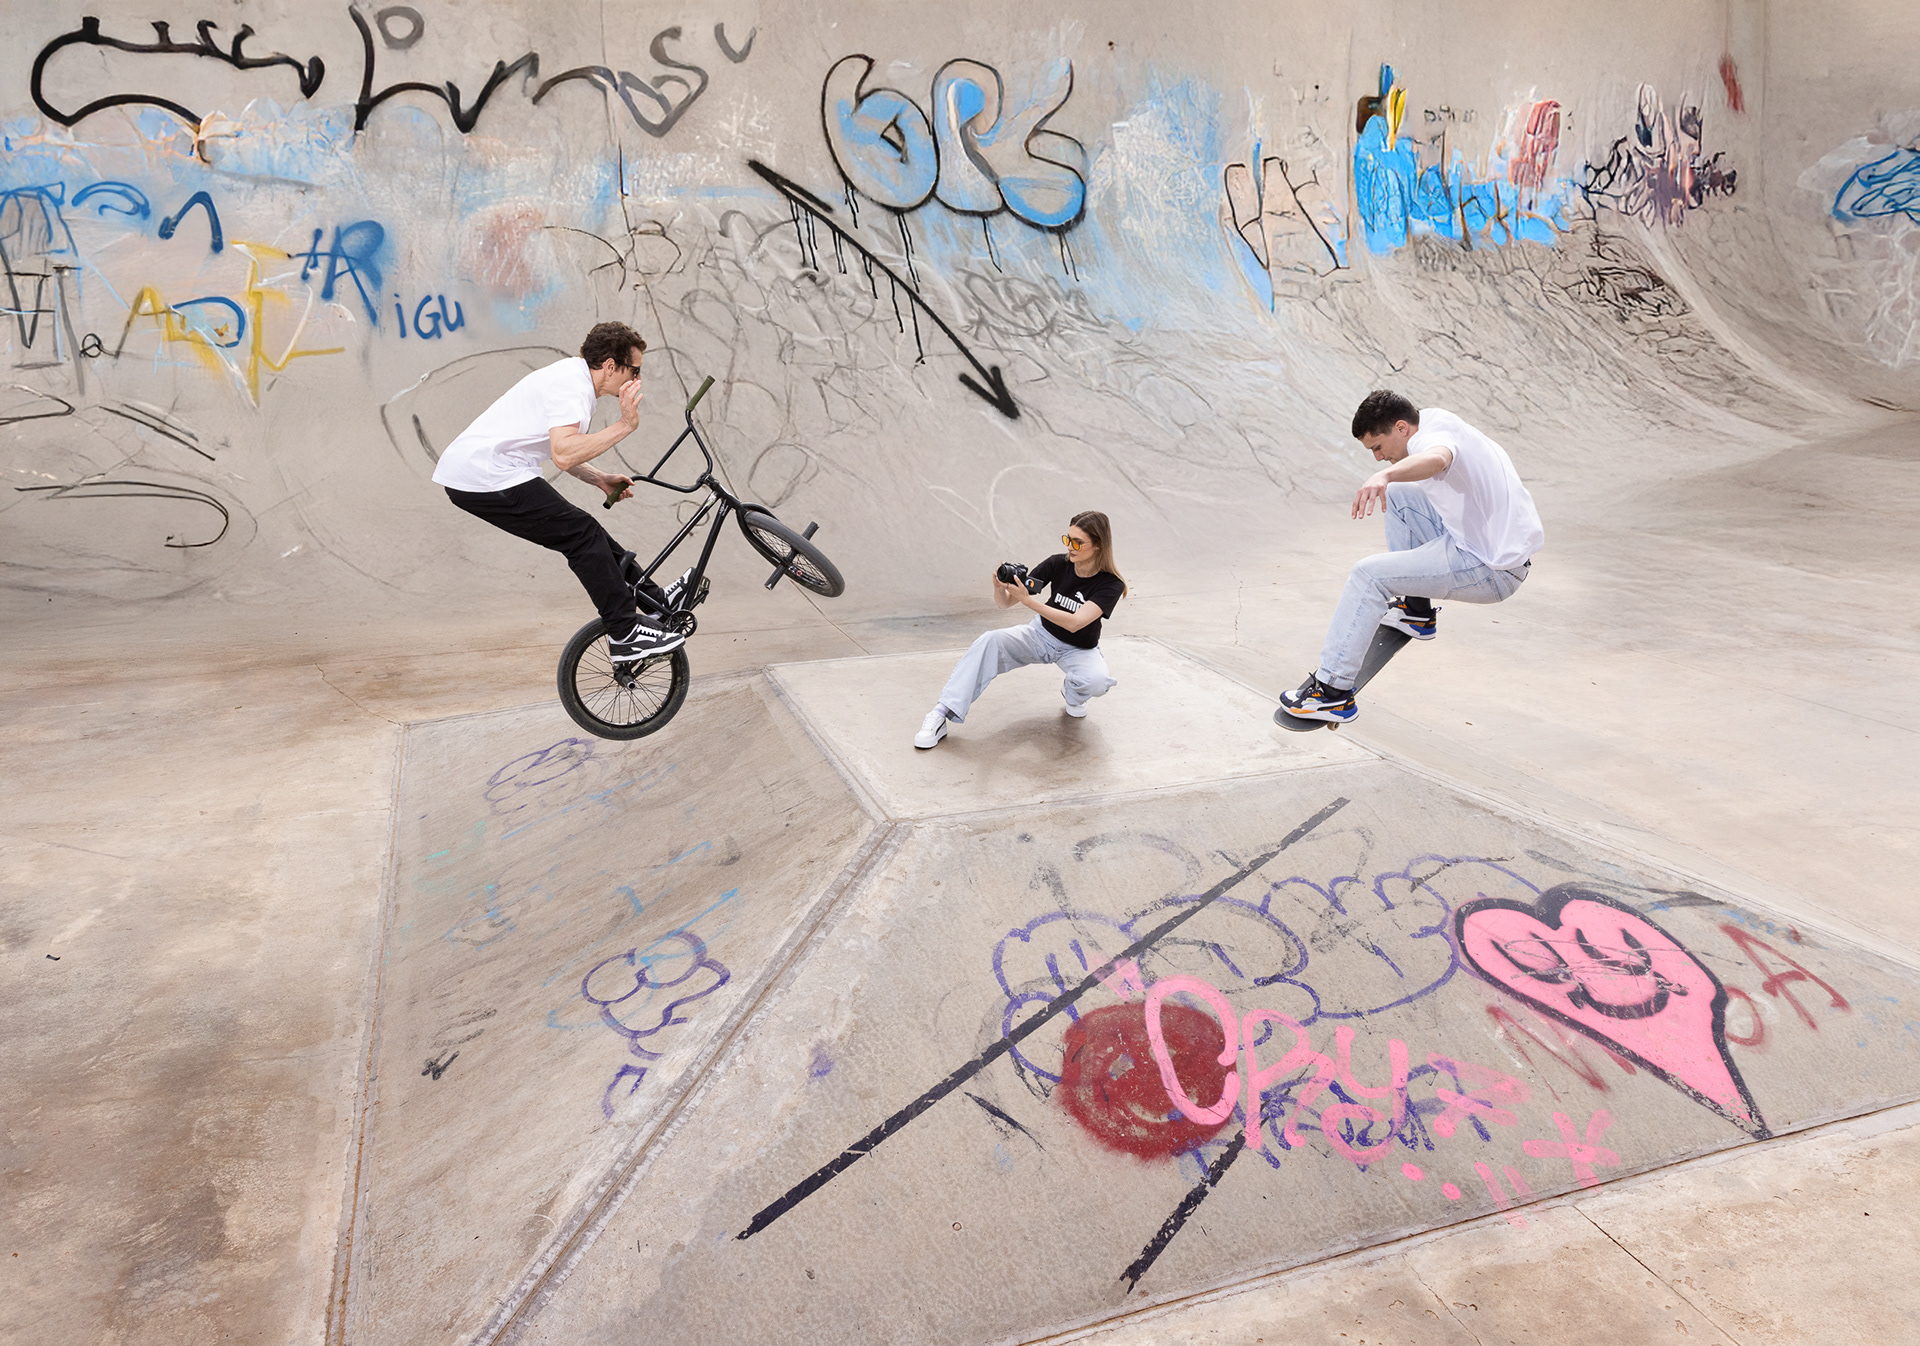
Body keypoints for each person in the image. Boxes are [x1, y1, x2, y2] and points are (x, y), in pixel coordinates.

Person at [1278, 390, 1543, 723]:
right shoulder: (1433, 418)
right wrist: (1392, 479)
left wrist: (1386, 475)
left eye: (1377, 447)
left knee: (1368, 575)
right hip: (1489, 541)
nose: (1378, 458)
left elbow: (1438, 459)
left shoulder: (1430, 442)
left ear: (1401, 428)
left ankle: (1332, 693)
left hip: (1490, 568)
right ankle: (1415, 612)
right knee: (1399, 496)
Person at [433, 322, 682, 662]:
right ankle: (625, 633)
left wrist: (598, 478)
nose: (637, 379)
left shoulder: (573, 380)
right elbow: (564, 454)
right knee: (581, 536)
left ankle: (655, 601)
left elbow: (558, 449)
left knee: (586, 531)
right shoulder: (572, 387)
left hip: (489, 472)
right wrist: (625, 425)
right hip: (485, 474)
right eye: (634, 370)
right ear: (611, 366)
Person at [914, 511, 1126, 749]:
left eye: (1078, 542)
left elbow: (1075, 622)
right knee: (990, 640)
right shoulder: (1057, 564)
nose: (1070, 547)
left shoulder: (1111, 584)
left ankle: (1073, 692)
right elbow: (1005, 603)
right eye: (1068, 539)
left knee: (1097, 681)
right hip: (1040, 635)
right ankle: (940, 713)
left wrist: (1028, 601)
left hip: (1078, 649)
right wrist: (999, 589)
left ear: (1098, 545)